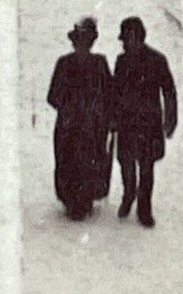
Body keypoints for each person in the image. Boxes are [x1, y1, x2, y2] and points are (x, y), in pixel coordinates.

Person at [111, 15, 178, 228]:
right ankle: (129, 194)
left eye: (127, 39)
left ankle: (144, 208)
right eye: (123, 40)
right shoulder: (121, 62)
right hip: (127, 123)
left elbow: (169, 91)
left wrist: (170, 119)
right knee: (126, 164)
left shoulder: (157, 60)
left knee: (147, 167)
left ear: (138, 37)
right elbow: (115, 92)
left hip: (149, 124)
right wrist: (113, 118)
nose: (124, 44)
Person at [46, 16, 113, 220]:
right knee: (68, 161)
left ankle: (85, 201)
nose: (82, 46)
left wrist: (99, 114)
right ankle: (71, 201)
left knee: (90, 162)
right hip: (70, 126)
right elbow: (52, 96)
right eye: (79, 41)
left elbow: (109, 94)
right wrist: (71, 107)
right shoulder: (64, 63)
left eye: (86, 41)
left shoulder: (100, 64)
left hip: (92, 127)